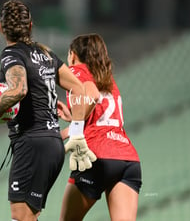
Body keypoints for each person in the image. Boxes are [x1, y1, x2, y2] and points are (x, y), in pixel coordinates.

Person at [0, 0, 96, 221]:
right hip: (52, 145)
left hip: (31, 144)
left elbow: (19, 89)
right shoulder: (47, 55)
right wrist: (75, 127)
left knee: (21, 218)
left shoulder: (11, 54)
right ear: (30, 26)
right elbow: (79, 88)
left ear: (1, 28)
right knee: (29, 217)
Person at [57, 34, 142, 221]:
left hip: (98, 156)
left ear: (72, 55)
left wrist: (74, 128)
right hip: (127, 160)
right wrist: (71, 123)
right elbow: (101, 118)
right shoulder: (107, 79)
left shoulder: (77, 71)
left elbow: (93, 96)